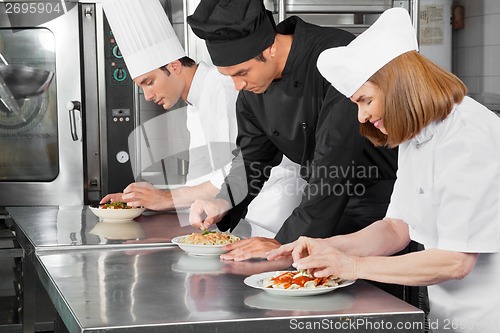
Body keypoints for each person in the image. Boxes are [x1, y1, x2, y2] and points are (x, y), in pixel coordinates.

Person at [268, 8, 500, 333]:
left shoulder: (469, 136)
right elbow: (396, 228)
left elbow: (456, 260)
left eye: (365, 100)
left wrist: (352, 266)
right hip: (451, 317)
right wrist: (329, 247)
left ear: (397, 84)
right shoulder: (415, 134)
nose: (361, 117)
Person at [186, 0, 398, 261]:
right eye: (229, 76)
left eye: (242, 73)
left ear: (270, 48)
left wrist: (281, 242)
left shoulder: (335, 55)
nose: (238, 86)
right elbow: (252, 160)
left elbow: (334, 161)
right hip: (319, 206)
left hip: (378, 210)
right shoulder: (253, 88)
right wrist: (223, 201)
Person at [100, 0, 305, 238]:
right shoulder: (194, 100)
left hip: (269, 212)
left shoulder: (222, 88)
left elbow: (233, 172)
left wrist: (164, 199)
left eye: (149, 82)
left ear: (174, 66)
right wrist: (145, 199)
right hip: (237, 214)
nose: (147, 96)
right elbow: (200, 178)